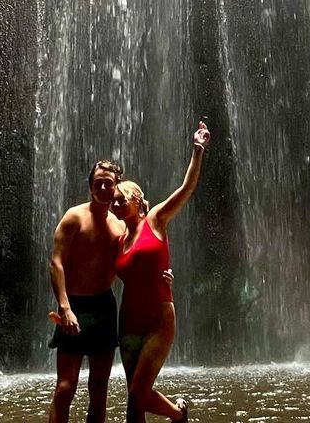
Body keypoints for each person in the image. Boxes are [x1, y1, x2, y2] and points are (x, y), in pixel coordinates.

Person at [112, 120, 211, 423]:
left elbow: (186, 189)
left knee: (137, 393)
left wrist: (198, 149)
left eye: (121, 199)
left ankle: (177, 413)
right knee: (134, 402)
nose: (115, 204)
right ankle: (177, 414)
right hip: (128, 321)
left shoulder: (155, 219)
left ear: (137, 202)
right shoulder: (118, 239)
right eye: (113, 201)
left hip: (159, 318)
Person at [47, 158, 126, 423]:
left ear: (117, 186)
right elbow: (56, 262)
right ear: (90, 186)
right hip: (75, 306)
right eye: (98, 183)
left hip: (104, 306)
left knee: (99, 389)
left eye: (108, 183)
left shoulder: (120, 225)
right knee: (65, 387)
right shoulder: (74, 217)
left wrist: (163, 277)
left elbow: (137, 256)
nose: (103, 188)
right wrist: (65, 307)